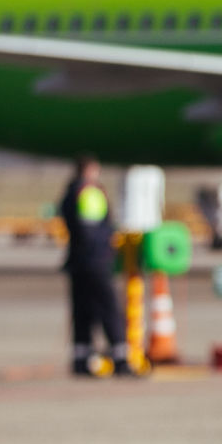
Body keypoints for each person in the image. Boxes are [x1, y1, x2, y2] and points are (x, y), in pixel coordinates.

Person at [58, 155, 134, 377]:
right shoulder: (90, 192)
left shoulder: (70, 191)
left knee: (82, 311)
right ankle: (121, 360)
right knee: (109, 309)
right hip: (95, 261)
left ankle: (81, 360)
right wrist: (109, 250)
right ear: (91, 169)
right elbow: (91, 231)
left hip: (77, 262)